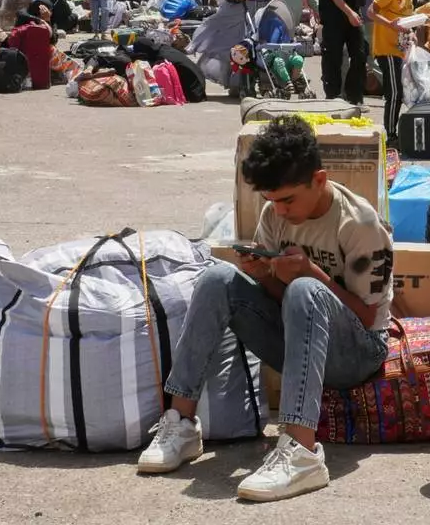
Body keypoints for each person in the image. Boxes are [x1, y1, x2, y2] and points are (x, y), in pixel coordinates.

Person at [136, 116, 393, 502]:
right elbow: (280, 298)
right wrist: (263, 275)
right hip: (300, 339)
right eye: (272, 201)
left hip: (357, 353)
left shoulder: (359, 224)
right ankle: (182, 423)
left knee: (305, 290)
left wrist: (309, 272)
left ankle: (301, 452)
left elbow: (367, 318)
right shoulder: (273, 214)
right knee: (216, 278)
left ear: (319, 181)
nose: (280, 211)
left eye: (288, 199)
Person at [367, 0, 430, 141]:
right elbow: (370, 12)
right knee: (395, 93)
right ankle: (390, 134)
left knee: (402, 92)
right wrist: (389, 24)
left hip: (400, 51)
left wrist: (413, 33)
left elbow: (406, 24)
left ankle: (393, 131)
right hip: (386, 50)